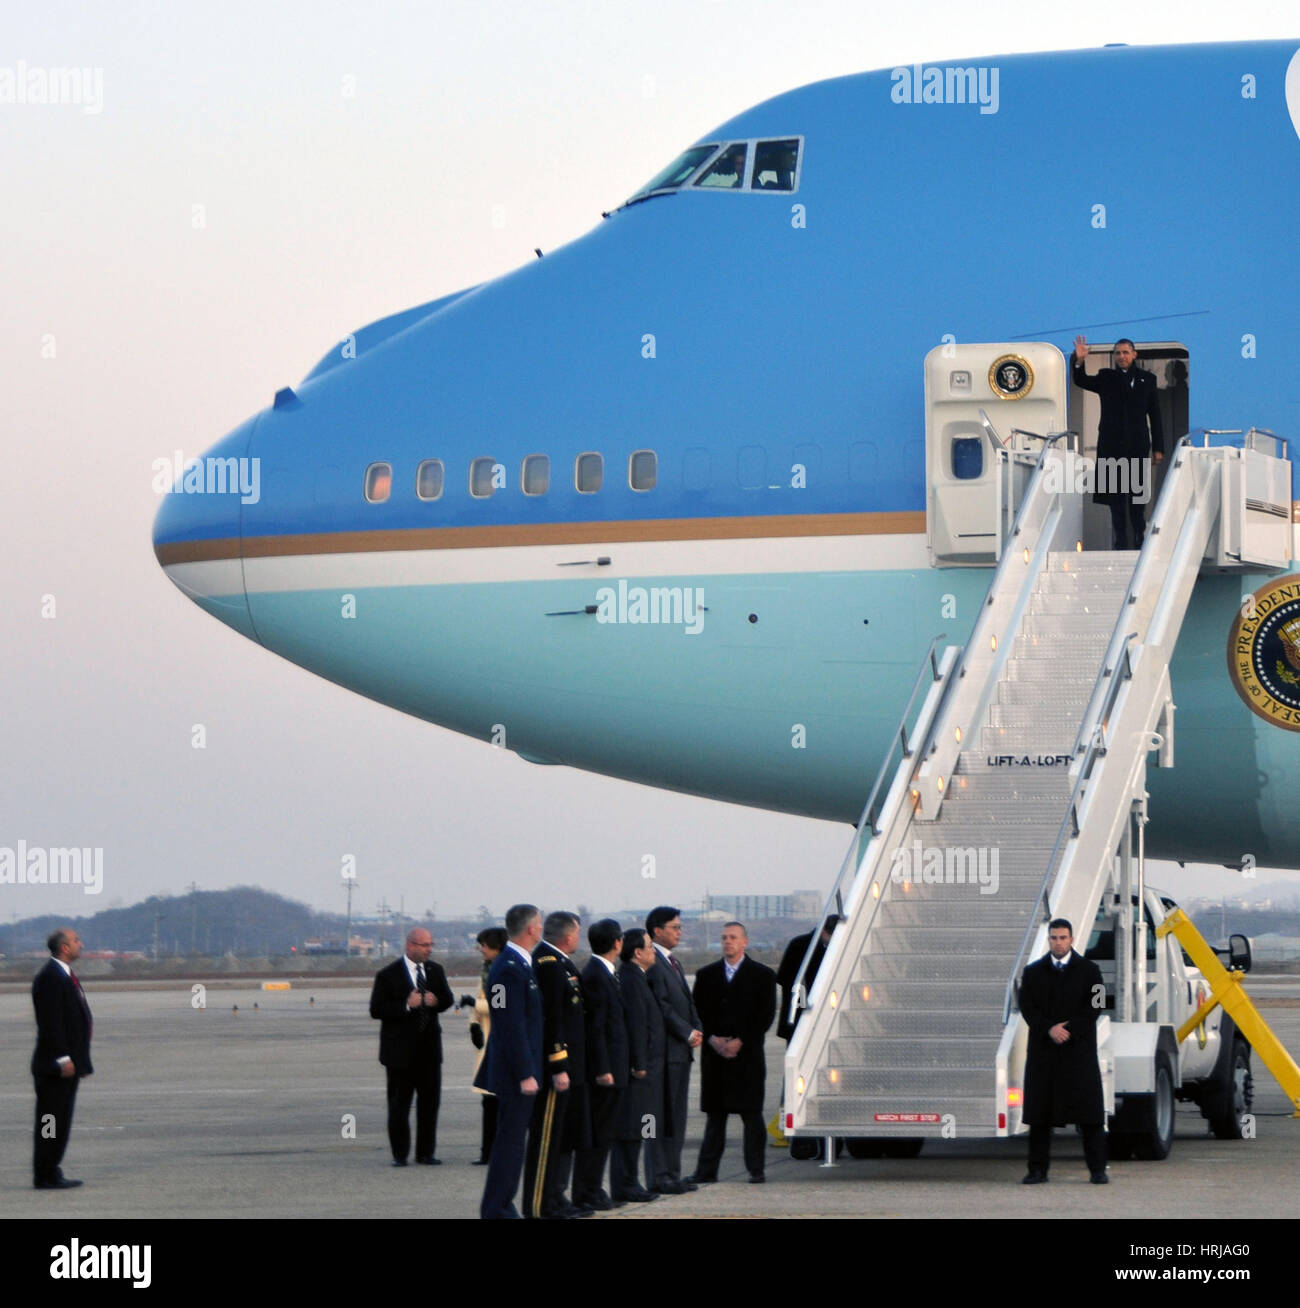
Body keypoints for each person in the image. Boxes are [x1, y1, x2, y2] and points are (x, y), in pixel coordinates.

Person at [1018, 917, 1108, 1184]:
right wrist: (1049, 1029)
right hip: (1044, 1055)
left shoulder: (1091, 971)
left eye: (1063, 938)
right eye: (1054, 938)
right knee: (1040, 1117)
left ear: (1072, 939)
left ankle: (1097, 1170)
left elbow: (1097, 1005)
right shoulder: (1032, 972)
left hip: (1079, 1054)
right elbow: (1026, 1007)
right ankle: (1037, 1170)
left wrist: (1070, 1029)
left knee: (1090, 1116)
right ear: (1049, 939)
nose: (1058, 943)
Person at [688, 922, 777, 1184]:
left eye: (733, 937)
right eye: (724, 937)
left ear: (744, 942)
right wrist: (712, 1039)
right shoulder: (706, 975)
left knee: (751, 1115)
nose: (728, 941)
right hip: (715, 1057)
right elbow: (698, 1011)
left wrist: (741, 1041)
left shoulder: (762, 975)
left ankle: (756, 1169)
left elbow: (765, 1015)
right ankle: (706, 1171)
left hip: (747, 1057)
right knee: (715, 1117)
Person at [523, 910, 591, 1219]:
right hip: (557, 1066)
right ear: (567, 935)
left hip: (571, 1064)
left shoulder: (561, 963)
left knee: (562, 1138)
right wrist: (558, 1064)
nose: (578, 938)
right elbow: (552, 1019)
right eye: (576, 932)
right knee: (547, 1140)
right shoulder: (548, 964)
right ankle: (542, 1205)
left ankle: (556, 1197)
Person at [478, 905, 544, 1219]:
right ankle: (497, 1208)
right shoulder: (506, 968)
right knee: (509, 1144)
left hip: (520, 1071)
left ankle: (502, 1205)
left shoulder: (519, 963)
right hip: (514, 1074)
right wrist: (525, 1072)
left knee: (514, 1143)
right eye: (539, 924)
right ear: (530, 929)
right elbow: (509, 1024)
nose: (541, 929)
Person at [369, 927, 455, 1166]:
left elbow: (448, 999)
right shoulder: (388, 975)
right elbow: (376, 1010)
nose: (429, 949)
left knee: (429, 1105)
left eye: (430, 945)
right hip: (400, 1054)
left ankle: (426, 1153)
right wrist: (406, 1005)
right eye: (424, 945)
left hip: (429, 1051)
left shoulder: (435, 970)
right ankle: (400, 1154)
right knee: (399, 1106)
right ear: (410, 945)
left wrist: (437, 1001)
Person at [1071, 335, 1164, 549]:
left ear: (1134, 354)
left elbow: (1155, 415)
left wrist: (1158, 447)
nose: (1122, 357)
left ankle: (1140, 538)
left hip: (1137, 446)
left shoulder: (1147, 379)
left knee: (1137, 497)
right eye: (1118, 353)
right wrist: (1079, 361)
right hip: (1111, 446)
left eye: (1125, 353)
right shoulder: (1106, 377)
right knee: (1115, 498)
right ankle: (1120, 541)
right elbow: (1081, 380)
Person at [645, 905, 703, 1194]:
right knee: (660, 1118)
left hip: (680, 1053)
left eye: (680, 927)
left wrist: (697, 1026)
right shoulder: (654, 962)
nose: (680, 932)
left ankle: (672, 1173)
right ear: (657, 931)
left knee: (677, 1117)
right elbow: (662, 1006)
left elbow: (685, 1003)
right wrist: (687, 1031)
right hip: (665, 1054)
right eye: (675, 927)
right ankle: (659, 1175)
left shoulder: (673, 962)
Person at [573, 918, 629, 1210]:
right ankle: (588, 1192)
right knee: (598, 1134)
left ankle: (593, 1189)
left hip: (615, 1067)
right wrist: (603, 1068)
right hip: (605, 1072)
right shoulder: (596, 974)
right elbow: (595, 1028)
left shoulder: (606, 972)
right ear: (617, 942)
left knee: (604, 1134)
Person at [31, 927, 93, 1190]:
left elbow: (75, 1021)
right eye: (76, 940)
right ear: (64, 948)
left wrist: (81, 1061)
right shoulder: (50, 978)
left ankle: (52, 1169)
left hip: (70, 1064)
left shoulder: (64, 975)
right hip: (55, 1066)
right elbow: (51, 1024)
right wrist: (63, 1059)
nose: (81, 943)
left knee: (61, 1120)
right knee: (50, 1120)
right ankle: (44, 1173)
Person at [610, 928, 662, 1204]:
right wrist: (639, 1063)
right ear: (638, 952)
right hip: (638, 1069)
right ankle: (626, 1184)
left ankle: (631, 1181)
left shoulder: (638, 977)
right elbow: (635, 1025)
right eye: (650, 947)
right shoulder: (631, 979)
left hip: (647, 1066)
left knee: (641, 1126)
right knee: (631, 1128)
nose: (653, 951)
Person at [470, 926, 507, 1164]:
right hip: (486, 1041)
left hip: (501, 1043)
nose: (481, 950)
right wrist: (473, 1024)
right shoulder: (485, 970)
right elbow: (479, 1000)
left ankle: (498, 1150)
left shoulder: (503, 971)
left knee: (498, 1101)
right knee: (488, 1101)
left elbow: (498, 1005)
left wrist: (473, 1004)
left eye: (484, 945)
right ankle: (487, 1152)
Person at [775, 915, 839, 1043]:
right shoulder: (802, 945)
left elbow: (782, 977)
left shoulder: (798, 943)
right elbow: (784, 977)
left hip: (799, 1010)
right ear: (824, 932)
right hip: (802, 1010)